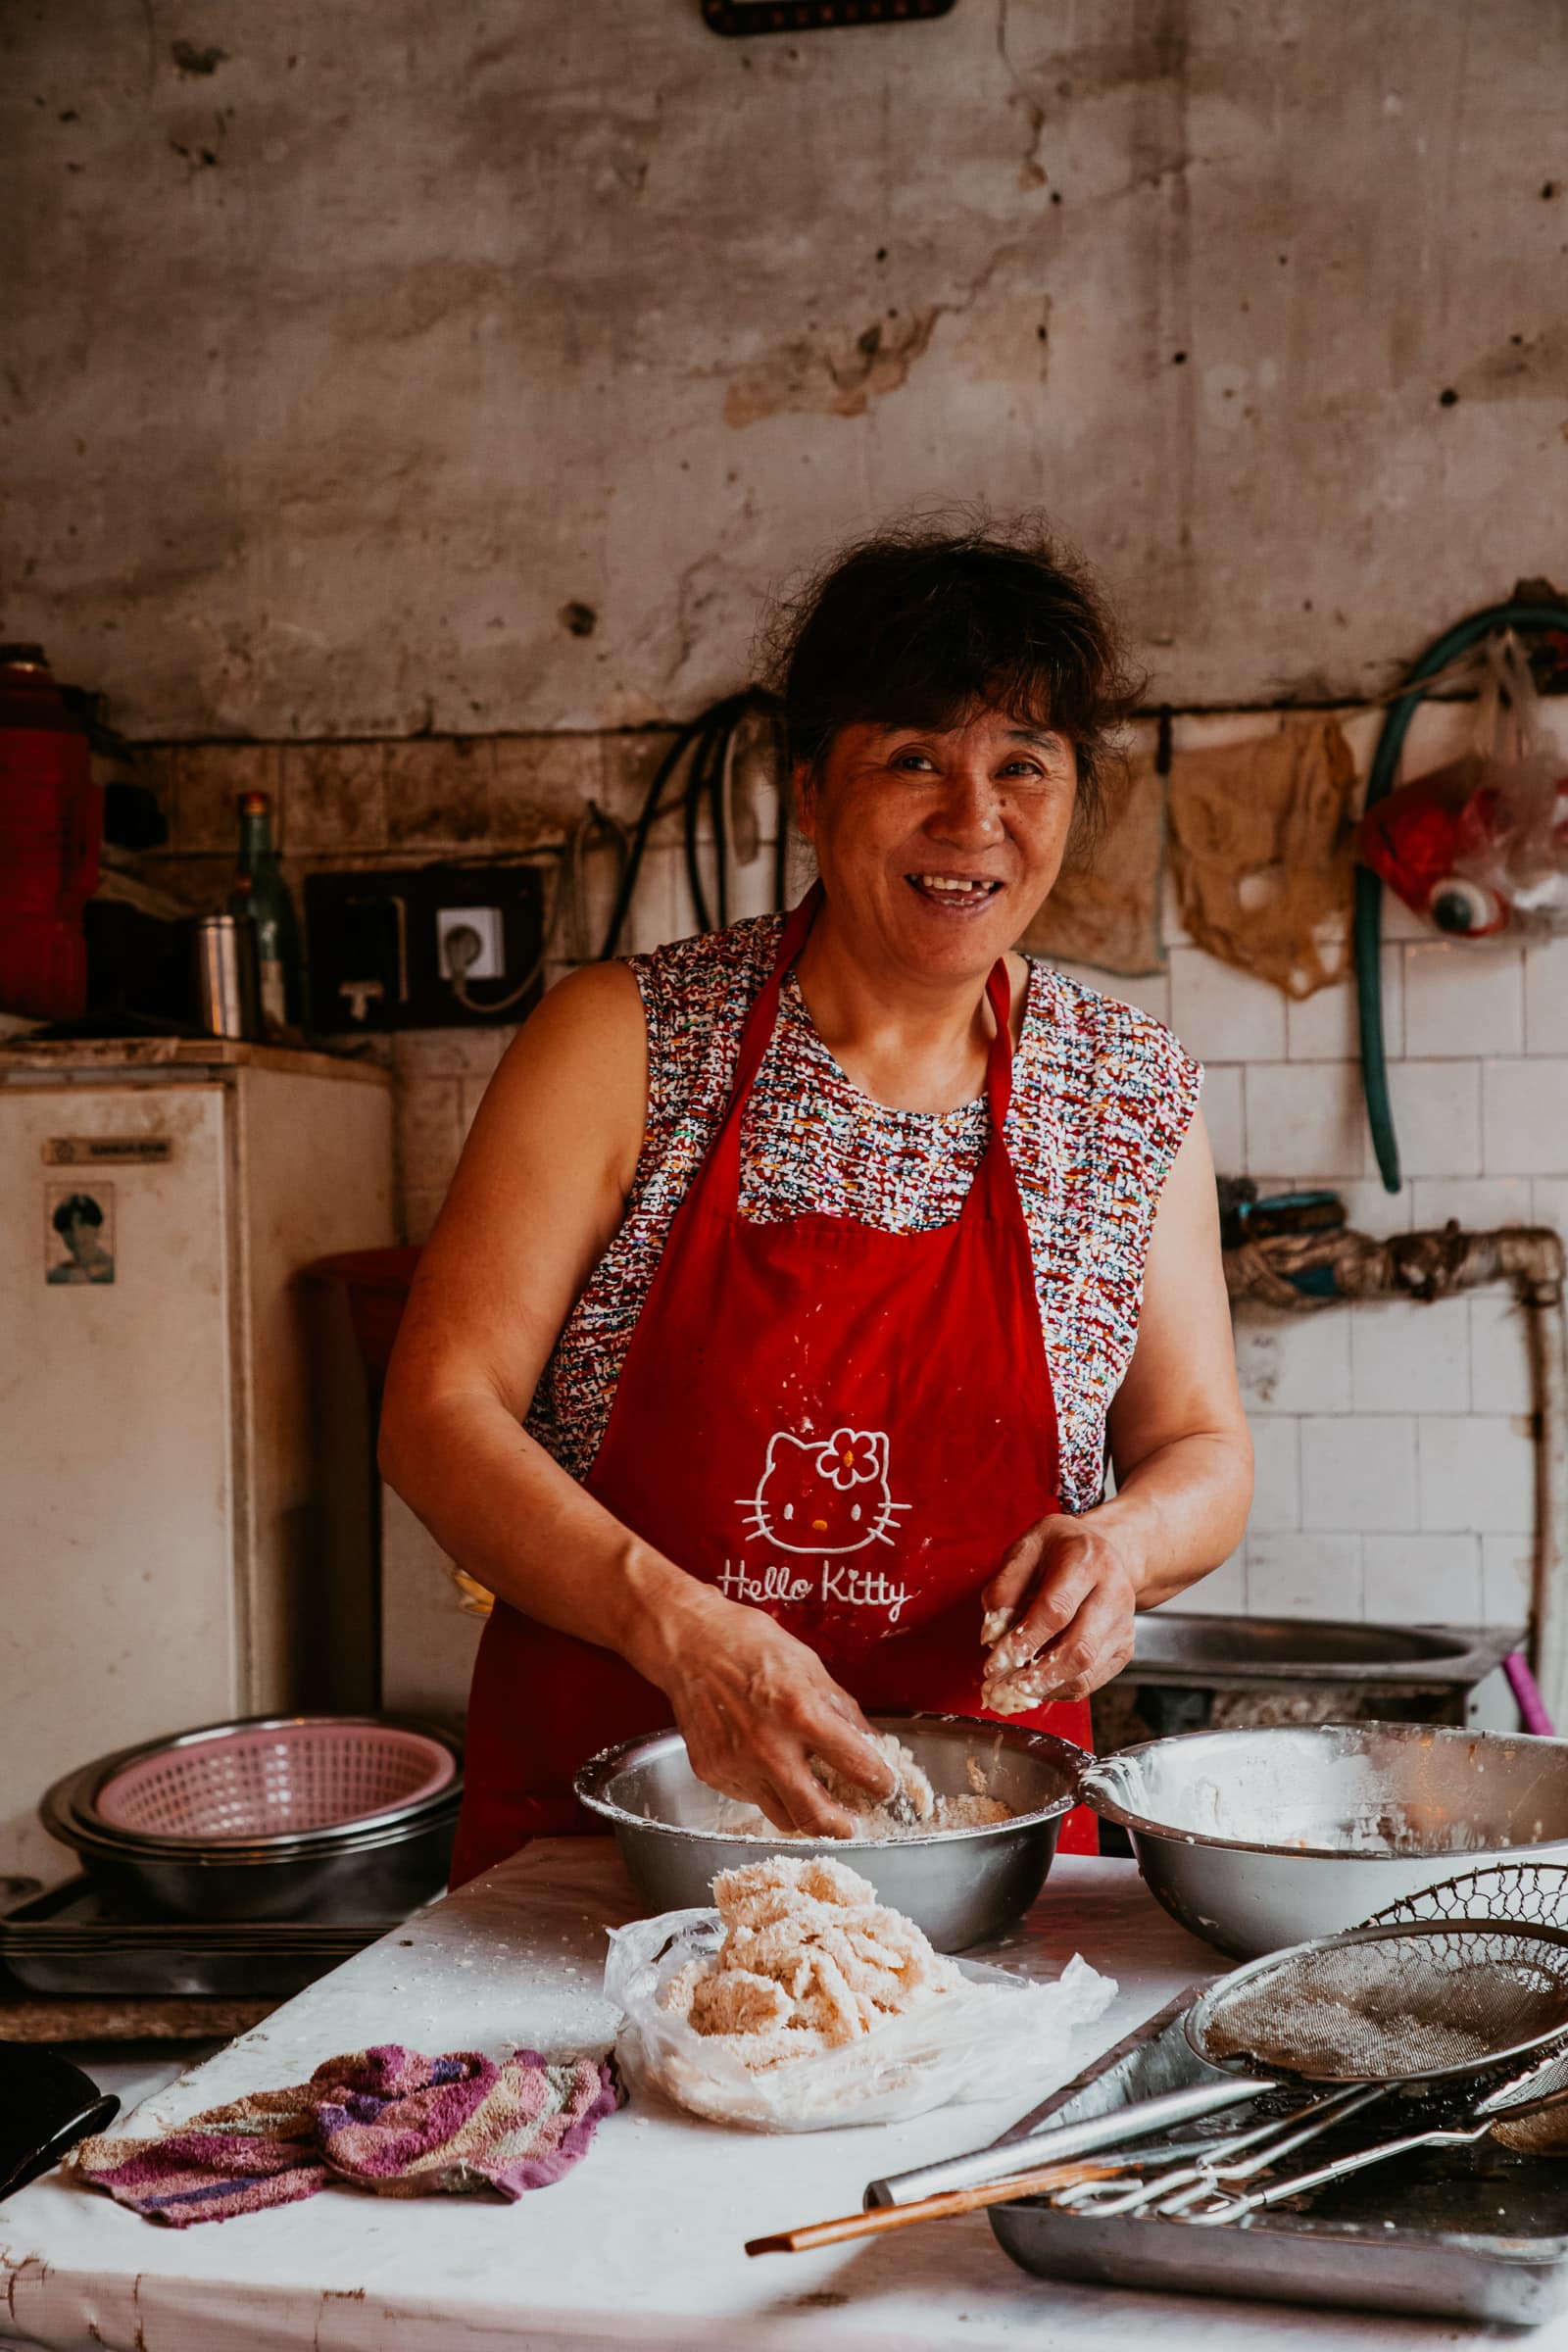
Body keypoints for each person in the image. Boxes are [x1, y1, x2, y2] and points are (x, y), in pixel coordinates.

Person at [379, 519, 1253, 1884]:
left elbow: (1202, 1447)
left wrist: (1125, 1548)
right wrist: (672, 1624)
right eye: (914, 759)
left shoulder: (1125, 1090)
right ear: (807, 787)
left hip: (970, 1847)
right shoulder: (624, 1041)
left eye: (1023, 765)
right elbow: (435, 1416)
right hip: (613, 1839)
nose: (975, 822)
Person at [47, 1193, 115, 1285]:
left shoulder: (115, 1271)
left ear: (98, 1230)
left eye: (83, 1225)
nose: (76, 1235)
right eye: (68, 1228)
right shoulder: (55, 1276)